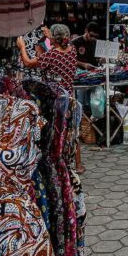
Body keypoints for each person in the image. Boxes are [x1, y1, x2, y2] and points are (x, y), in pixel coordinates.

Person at [17, 24, 85, 173]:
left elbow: (28, 63)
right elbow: (59, 46)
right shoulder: (72, 51)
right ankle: (78, 165)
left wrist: (22, 46)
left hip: (55, 101)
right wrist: (50, 37)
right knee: (72, 131)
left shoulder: (52, 55)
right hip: (69, 97)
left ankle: (56, 161)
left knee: (55, 132)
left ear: (54, 38)